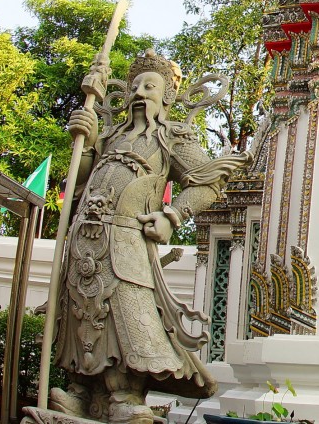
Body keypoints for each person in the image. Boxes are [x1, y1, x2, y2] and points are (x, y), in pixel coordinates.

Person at [51, 49, 250, 424]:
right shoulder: (110, 136)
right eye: (134, 87)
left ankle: (125, 394)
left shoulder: (171, 137)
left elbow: (208, 182)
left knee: (127, 317)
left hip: (127, 243)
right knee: (81, 310)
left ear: (168, 95)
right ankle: (81, 391)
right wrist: (86, 140)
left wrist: (172, 216)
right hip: (87, 238)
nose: (139, 93)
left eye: (149, 86)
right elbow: (79, 181)